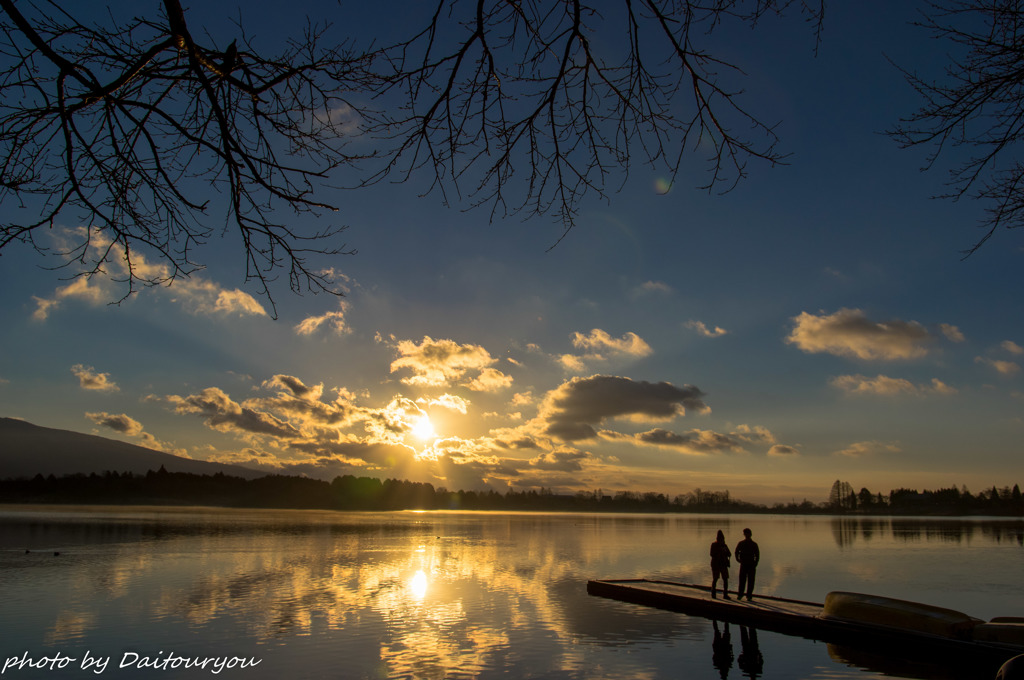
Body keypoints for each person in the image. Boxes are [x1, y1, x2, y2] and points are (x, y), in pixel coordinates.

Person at [735, 527, 760, 601]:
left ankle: (749, 596)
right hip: (743, 564)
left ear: (750, 534)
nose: (746, 535)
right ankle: (740, 594)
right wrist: (738, 559)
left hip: (751, 565)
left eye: (747, 533)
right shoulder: (741, 543)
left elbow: (757, 555)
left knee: (751, 581)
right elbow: (736, 552)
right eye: (745, 534)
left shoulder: (754, 544)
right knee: (742, 580)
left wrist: (755, 563)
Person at [710, 529, 732, 599]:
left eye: (722, 539)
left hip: (723, 564)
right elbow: (712, 554)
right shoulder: (714, 545)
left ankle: (725, 594)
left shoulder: (724, 546)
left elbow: (729, 554)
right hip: (716, 564)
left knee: (725, 579)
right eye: (720, 539)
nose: (721, 540)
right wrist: (719, 552)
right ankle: (713, 593)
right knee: (715, 579)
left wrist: (725, 550)